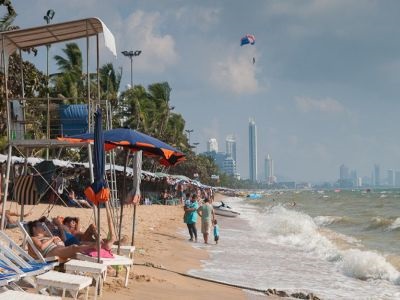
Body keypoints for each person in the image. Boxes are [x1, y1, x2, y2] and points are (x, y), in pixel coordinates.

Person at [28, 203, 116, 261]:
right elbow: (42, 247)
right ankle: (95, 245)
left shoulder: (47, 234)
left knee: (76, 249)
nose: (44, 226)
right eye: (41, 225)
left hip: (57, 248)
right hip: (51, 252)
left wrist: (56, 240)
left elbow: (61, 241)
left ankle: (99, 245)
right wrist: (53, 238)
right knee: (74, 247)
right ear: (34, 229)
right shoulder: (34, 238)